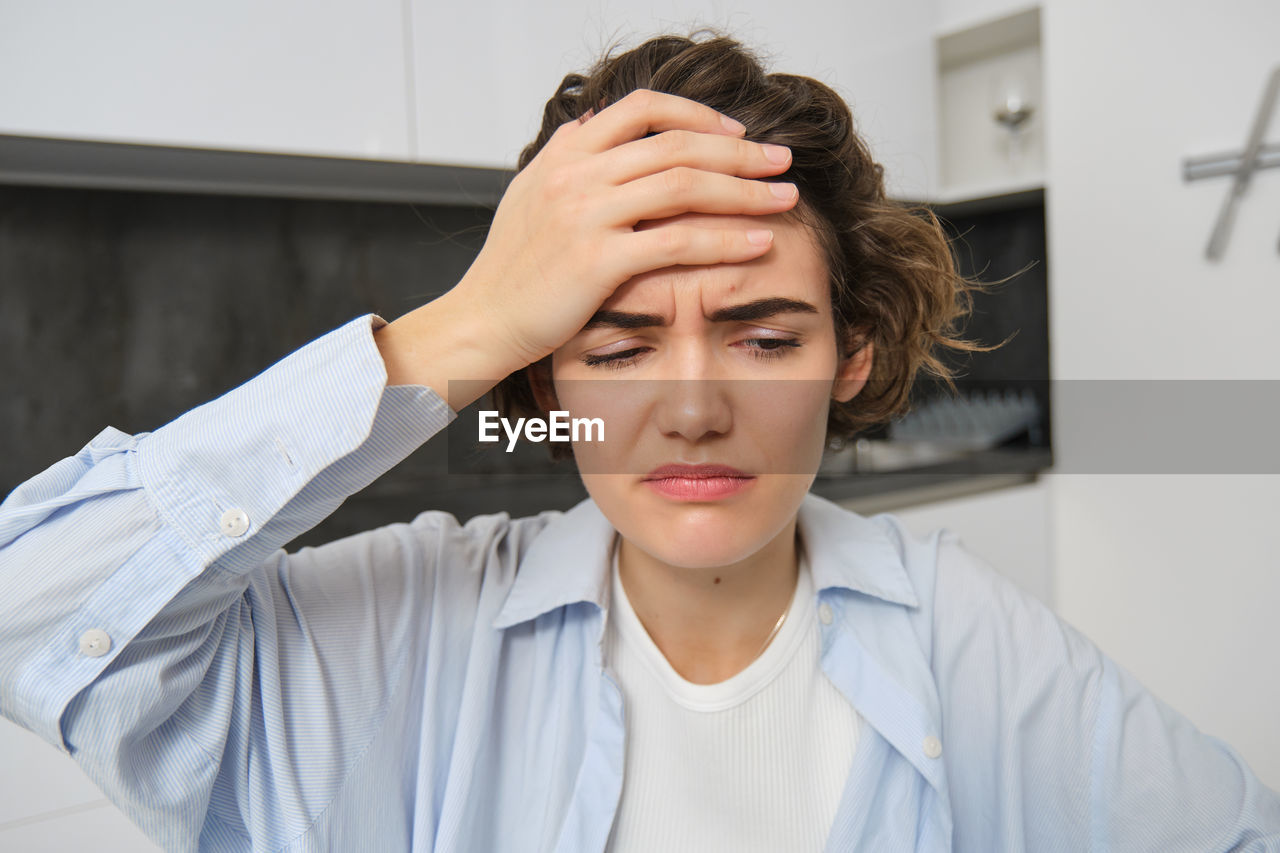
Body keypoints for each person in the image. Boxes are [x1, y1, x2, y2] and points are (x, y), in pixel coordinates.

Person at [1, 31, 1277, 853]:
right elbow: (29, 611)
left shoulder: (966, 637)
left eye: (764, 338)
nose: (690, 408)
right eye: (613, 348)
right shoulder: (404, 636)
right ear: (542, 369)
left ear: (853, 355)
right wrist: (463, 324)